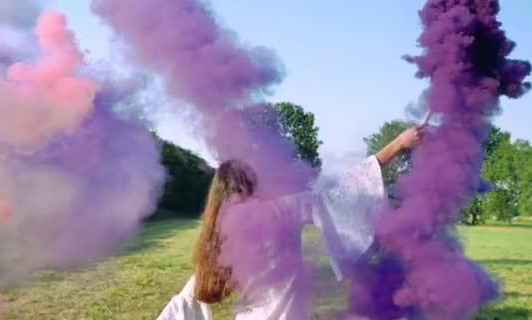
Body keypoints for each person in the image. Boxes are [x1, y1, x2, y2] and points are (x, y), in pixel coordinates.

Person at [157, 124, 426, 320]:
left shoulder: (220, 238)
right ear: (252, 184)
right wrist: (399, 144)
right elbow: (344, 188)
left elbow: (187, 298)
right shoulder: (282, 210)